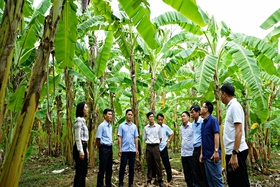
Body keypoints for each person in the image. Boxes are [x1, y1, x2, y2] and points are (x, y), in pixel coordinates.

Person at [221, 83, 250, 187]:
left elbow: (239, 131)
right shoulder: (230, 107)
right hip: (232, 152)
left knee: (241, 182)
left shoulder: (235, 106)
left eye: (220, 94)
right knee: (233, 182)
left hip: (237, 151)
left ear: (224, 94)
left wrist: (234, 154)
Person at [199, 101, 224, 187]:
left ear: (206, 109)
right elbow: (203, 139)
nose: (201, 108)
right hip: (206, 156)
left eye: (202, 107)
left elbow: (216, 135)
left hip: (213, 156)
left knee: (216, 180)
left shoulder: (213, 120)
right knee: (210, 181)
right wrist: (201, 154)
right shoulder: (203, 124)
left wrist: (216, 151)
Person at [118, 109, 139, 187]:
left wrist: (136, 149)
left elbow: (136, 138)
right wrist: (120, 149)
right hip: (124, 150)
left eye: (131, 115)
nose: (130, 116)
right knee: (122, 166)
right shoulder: (121, 125)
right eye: (128, 114)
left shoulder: (134, 126)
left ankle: (130, 183)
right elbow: (119, 137)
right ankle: (121, 183)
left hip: (132, 150)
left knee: (131, 167)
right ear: (125, 115)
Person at [144, 112, 164, 187]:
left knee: (157, 163)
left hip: (155, 146)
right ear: (148, 118)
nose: (151, 118)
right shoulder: (146, 128)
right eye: (150, 117)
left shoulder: (158, 127)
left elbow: (160, 138)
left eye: (152, 116)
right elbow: (145, 138)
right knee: (149, 164)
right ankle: (149, 179)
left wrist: (156, 144)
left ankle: (160, 180)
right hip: (149, 146)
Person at [190, 105, 208, 187]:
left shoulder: (203, 122)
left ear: (198, 112)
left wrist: (202, 152)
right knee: (196, 169)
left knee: (202, 170)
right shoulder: (193, 124)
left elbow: (203, 137)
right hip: (195, 148)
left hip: (201, 148)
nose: (191, 114)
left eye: (193, 112)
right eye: (191, 112)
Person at [96, 108, 114, 187]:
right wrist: (100, 148)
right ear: (104, 115)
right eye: (109, 114)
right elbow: (98, 139)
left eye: (111, 114)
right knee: (102, 168)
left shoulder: (110, 126)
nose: (110, 116)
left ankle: (108, 184)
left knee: (109, 168)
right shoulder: (102, 126)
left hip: (110, 148)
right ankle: (100, 185)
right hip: (103, 148)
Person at [73, 102, 89, 187]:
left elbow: (84, 138)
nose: (87, 109)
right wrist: (81, 151)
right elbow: (77, 137)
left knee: (83, 171)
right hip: (80, 147)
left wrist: (86, 150)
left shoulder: (83, 121)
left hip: (84, 146)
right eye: (86, 107)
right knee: (79, 172)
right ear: (81, 109)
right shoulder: (78, 120)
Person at [180, 111, 197, 187]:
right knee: (186, 172)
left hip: (191, 153)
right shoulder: (181, 128)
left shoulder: (193, 126)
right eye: (181, 116)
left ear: (188, 117)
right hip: (184, 153)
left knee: (193, 171)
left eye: (184, 116)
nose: (182, 118)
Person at [156, 113, 174, 185]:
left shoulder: (165, 127)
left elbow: (172, 133)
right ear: (156, 120)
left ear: (163, 120)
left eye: (161, 120)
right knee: (156, 164)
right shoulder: (155, 127)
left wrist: (168, 140)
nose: (160, 121)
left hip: (163, 147)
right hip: (156, 148)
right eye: (158, 120)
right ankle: (158, 179)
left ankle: (170, 179)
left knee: (166, 164)